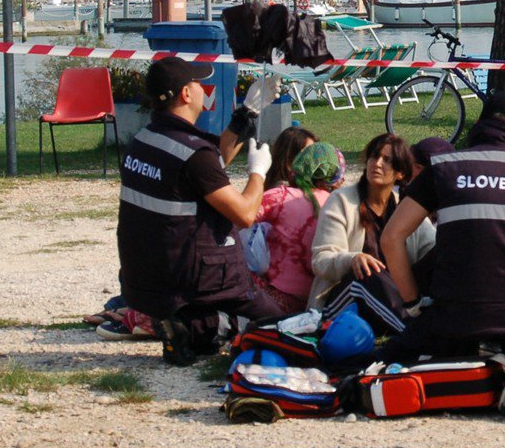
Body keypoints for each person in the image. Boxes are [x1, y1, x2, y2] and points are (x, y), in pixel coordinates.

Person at [380, 92, 505, 361]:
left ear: (479, 125)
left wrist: (413, 303)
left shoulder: (443, 168)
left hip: (455, 321)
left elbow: (391, 238)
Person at [116, 56, 274, 366]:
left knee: (204, 338)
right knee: (283, 324)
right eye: (198, 83)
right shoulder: (192, 154)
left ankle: (184, 326)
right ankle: (194, 322)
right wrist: (259, 172)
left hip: (147, 276)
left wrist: (247, 113)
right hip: (196, 273)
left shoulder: (144, 141)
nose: (204, 88)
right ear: (186, 94)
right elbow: (244, 214)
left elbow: (211, 166)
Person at [308, 134, 431, 309]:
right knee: (371, 272)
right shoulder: (341, 200)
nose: (377, 163)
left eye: (387, 160)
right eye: (374, 156)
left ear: (400, 173)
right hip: (345, 299)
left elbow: (432, 249)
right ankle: (409, 324)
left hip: (390, 297)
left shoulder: (405, 207)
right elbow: (320, 261)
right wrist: (352, 260)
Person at [246, 142, 346, 318]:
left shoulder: (281, 196)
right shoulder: (338, 204)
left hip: (276, 299)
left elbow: (241, 214)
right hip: (320, 301)